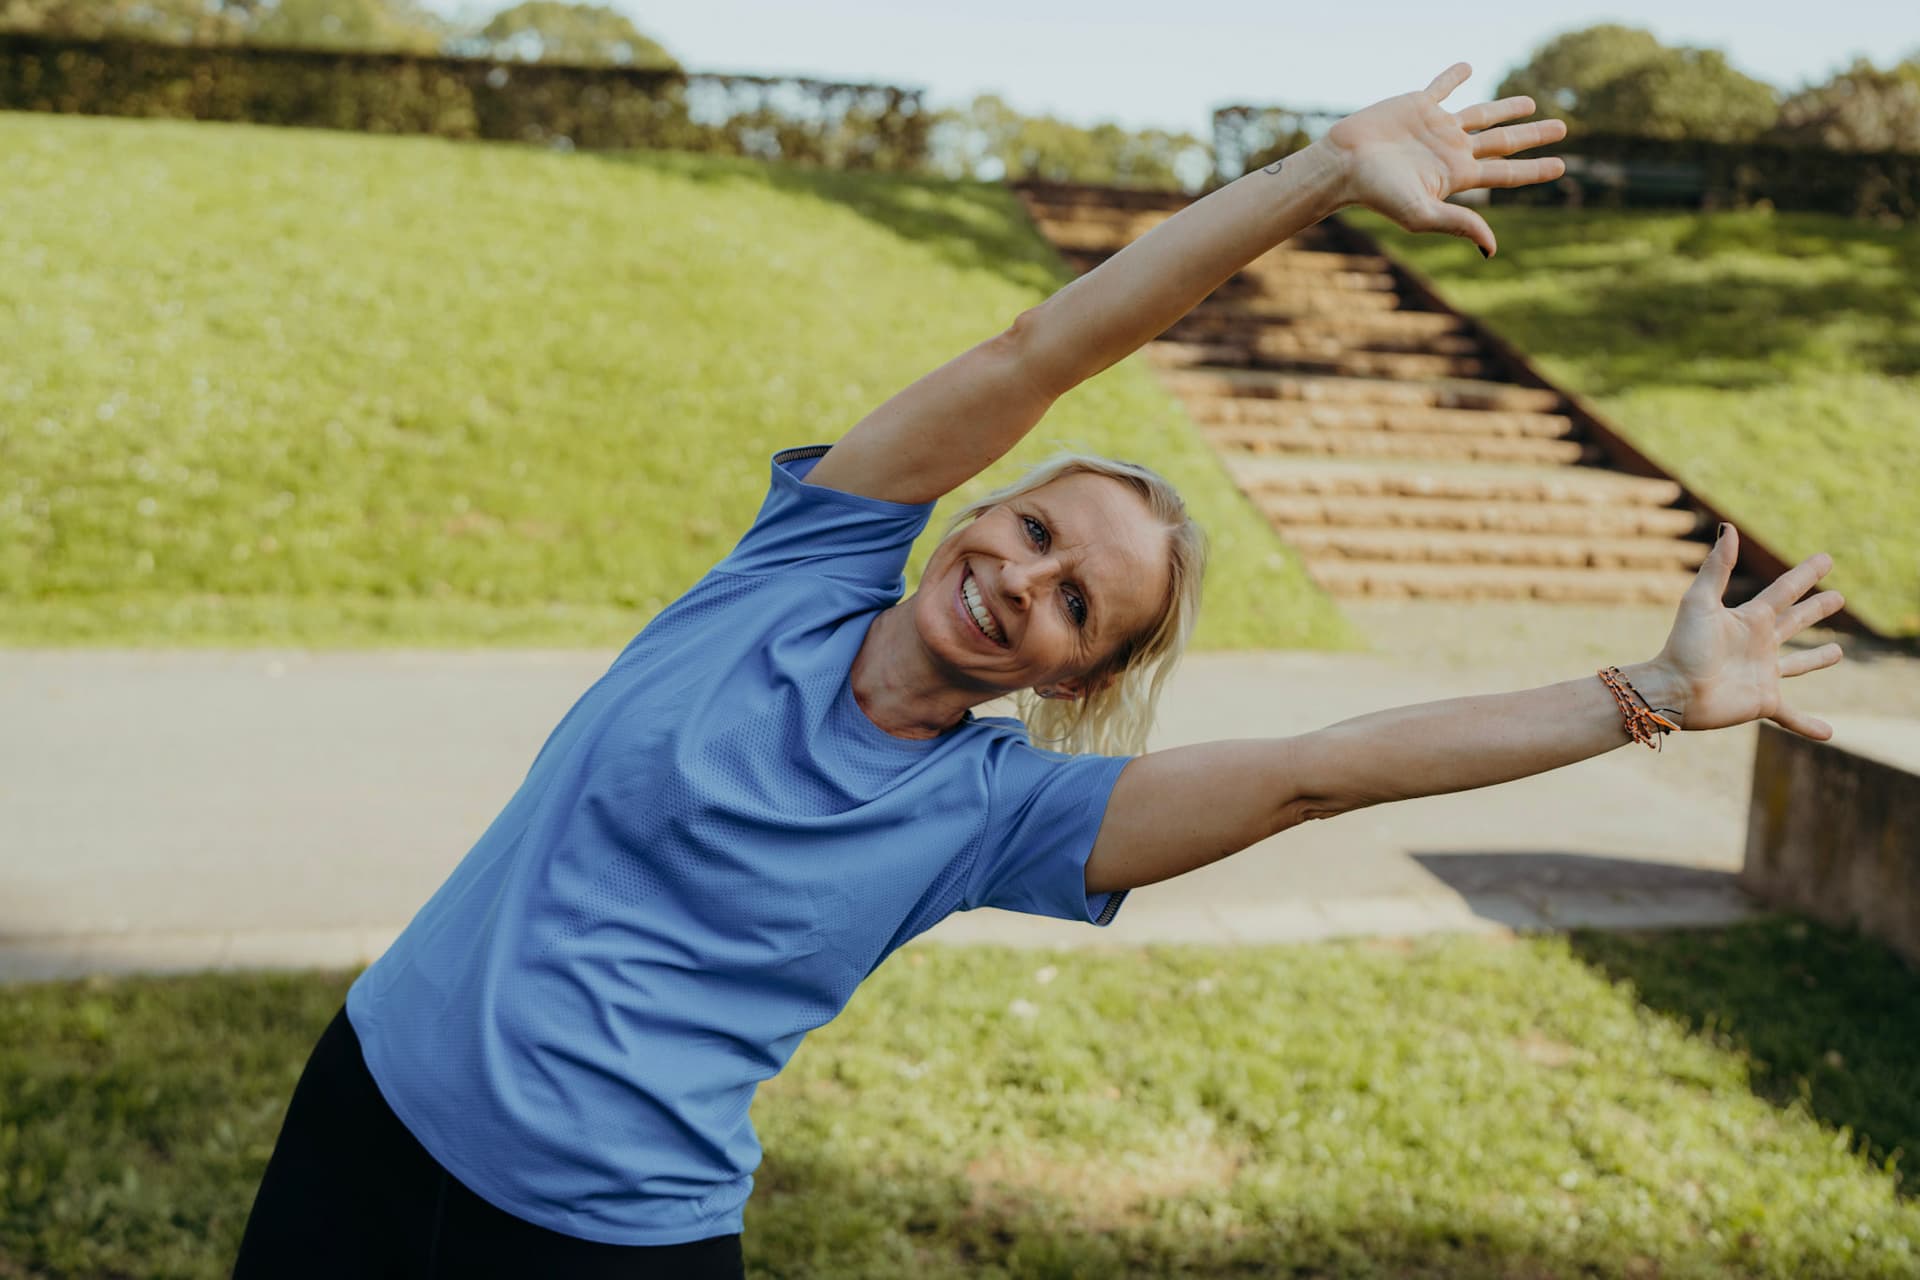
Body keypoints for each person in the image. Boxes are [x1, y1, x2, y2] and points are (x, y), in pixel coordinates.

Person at [234, 64, 1845, 1277]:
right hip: (371, 1101)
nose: (1022, 579)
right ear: (973, 507)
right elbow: (1042, 350)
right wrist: (1318, 178)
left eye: (1078, 602)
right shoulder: (797, 568)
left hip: (603, 1238)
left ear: (1077, 677)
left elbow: (1314, 772)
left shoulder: (995, 814)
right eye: (1028, 528)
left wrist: (1643, 697)